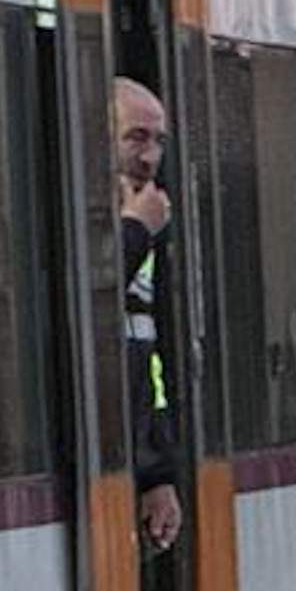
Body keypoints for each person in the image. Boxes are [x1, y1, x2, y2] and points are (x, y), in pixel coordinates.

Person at [113, 78, 182, 557]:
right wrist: (135, 231)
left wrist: (157, 471)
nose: (150, 157)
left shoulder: (147, 219)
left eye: (158, 141)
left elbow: (148, 356)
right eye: (136, 137)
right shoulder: (130, 223)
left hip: (128, 467)